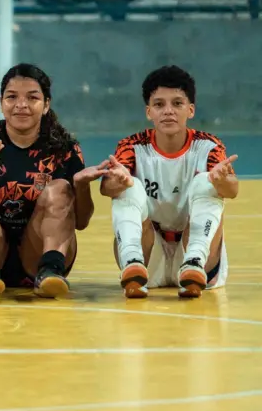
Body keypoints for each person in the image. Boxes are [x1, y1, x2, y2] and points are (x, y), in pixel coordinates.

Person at [0, 64, 107, 299]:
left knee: (60, 188)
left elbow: (82, 222)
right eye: (12, 97)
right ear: (2, 103)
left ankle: (51, 270)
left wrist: (81, 185)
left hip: (37, 253)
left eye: (32, 98)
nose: (21, 105)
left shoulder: (64, 148)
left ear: (46, 105)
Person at [100, 66, 237, 298]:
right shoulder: (131, 146)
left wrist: (220, 181)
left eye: (177, 103)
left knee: (206, 182)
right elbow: (106, 188)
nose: (168, 111)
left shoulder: (209, 146)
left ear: (190, 109)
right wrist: (119, 181)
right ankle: (132, 262)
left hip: (194, 251)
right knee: (128, 188)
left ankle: (194, 262)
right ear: (148, 111)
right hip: (150, 252)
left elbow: (232, 190)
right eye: (159, 104)